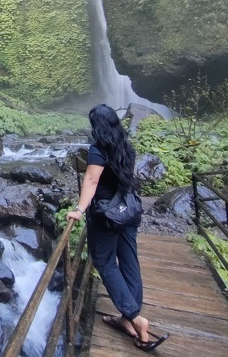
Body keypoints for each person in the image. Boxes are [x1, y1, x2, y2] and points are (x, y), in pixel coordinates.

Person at [66, 104, 168, 352]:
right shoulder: (126, 146)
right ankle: (127, 318)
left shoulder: (98, 149)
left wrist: (79, 209)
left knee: (105, 263)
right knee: (130, 260)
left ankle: (135, 318)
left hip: (107, 217)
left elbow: (91, 180)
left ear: (97, 126)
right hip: (129, 212)